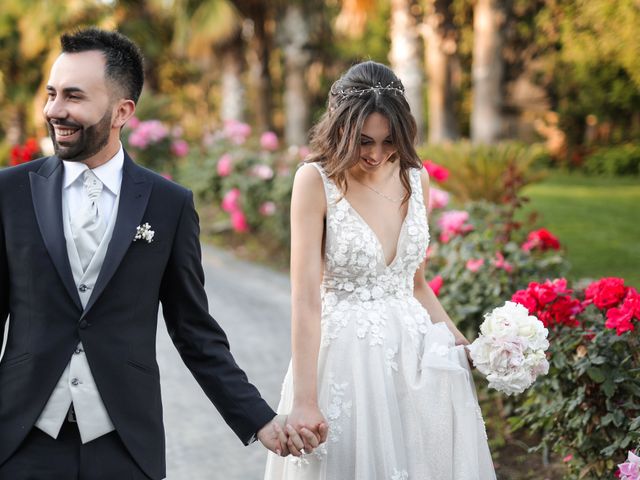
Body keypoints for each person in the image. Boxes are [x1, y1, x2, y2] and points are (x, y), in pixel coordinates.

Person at [0, 27, 320, 480]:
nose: (54, 110)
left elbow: (194, 331)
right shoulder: (9, 192)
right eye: (52, 94)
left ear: (122, 111)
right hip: (18, 443)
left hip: (124, 444)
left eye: (73, 96)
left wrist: (260, 419)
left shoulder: (168, 205)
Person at [265, 61, 496, 479]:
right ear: (340, 127)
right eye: (364, 141)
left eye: (389, 141)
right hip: (346, 361)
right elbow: (305, 299)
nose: (375, 154)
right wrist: (304, 400)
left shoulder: (416, 179)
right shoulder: (314, 181)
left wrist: (463, 345)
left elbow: (417, 284)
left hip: (417, 359)